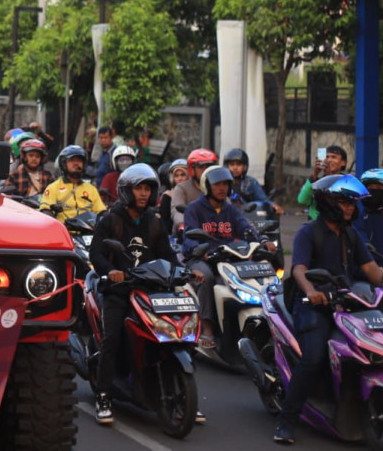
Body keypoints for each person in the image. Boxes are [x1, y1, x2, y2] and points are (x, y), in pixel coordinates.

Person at [273, 174, 383, 444]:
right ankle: (287, 421)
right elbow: (299, 269)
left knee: (374, 344)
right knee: (313, 357)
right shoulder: (308, 232)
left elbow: (370, 269)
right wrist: (311, 291)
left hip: (346, 302)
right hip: (313, 305)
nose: (350, 208)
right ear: (327, 202)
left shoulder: (351, 234)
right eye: (344, 203)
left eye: (351, 204)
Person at [89, 163, 181, 425]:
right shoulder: (111, 220)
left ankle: (176, 392)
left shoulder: (154, 222)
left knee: (173, 332)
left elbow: (167, 253)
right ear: (126, 191)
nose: (143, 194)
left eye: (147, 189)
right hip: (119, 291)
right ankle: (104, 395)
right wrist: (111, 271)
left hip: (150, 290)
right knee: (112, 339)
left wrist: (184, 271)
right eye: (138, 188)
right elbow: (95, 253)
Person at [183, 166, 276, 348]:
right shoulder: (194, 209)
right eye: (217, 184)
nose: (222, 188)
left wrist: (263, 241)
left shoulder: (230, 208)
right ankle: (208, 327)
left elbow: (246, 228)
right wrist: (200, 250)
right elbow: (188, 237)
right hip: (200, 259)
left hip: (228, 257)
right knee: (207, 278)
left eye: (225, 184)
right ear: (207, 186)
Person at [40, 145, 106, 222]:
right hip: (64, 231)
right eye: (72, 160)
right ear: (64, 164)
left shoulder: (92, 189)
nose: (76, 163)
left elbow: (101, 211)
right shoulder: (53, 188)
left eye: (79, 160)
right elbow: (45, 210)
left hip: (89, 231)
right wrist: (51, 213)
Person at [169, 148, 217, 231]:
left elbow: (229, 209)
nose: (206, 170)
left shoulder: (217, 188)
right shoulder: (181, 188)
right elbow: (177, 211)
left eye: (209, 167)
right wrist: (182, 224)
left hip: (216, 235)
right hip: (187, 235)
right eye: (201, 167)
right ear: (192, 169)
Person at [297, 145, 349, 220]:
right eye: (327, 157)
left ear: (343, 162)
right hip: (316, 226)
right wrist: (315, 174)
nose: (329, 160)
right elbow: (302, 200)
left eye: (334, 157)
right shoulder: (316, 182)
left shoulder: (347, 182)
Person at [223, 147, 282, 214]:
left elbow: (262, 199)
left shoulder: (251, 182)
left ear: (245, 166)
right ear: (226, 166)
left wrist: (273, 205)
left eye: (239, 164)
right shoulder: (223, 182)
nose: (235, 168)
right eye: (232, 164)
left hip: (248, 217)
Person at [157, 158, 190, 226]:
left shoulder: (196, 192)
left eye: (183, 175)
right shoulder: (168, 195)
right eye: (176, 176)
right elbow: (165, 221)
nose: (179, 178)